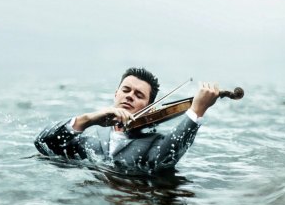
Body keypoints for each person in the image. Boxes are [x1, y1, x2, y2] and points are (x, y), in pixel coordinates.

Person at [34, 68, 219, 173]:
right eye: (126, 90)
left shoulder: (156, 143)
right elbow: (43, 144)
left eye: (139, 95)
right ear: (116, 94)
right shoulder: (90, 133)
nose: (130, 96)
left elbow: (167, 155)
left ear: (150, 107)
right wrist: (88, 119)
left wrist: (197, 110)